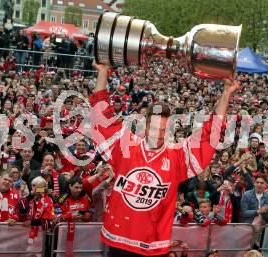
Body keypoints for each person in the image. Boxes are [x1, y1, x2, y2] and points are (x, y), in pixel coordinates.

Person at [89, 62, 239, 256]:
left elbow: (210, 133)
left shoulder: (177, 155)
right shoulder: (125, 145)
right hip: (119, 240)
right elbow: (100, 116)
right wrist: (102, 72)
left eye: (163, 130)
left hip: (153, 245)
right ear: (145, 125)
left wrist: (226, 93)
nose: (157, 135)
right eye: (153, 129)